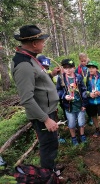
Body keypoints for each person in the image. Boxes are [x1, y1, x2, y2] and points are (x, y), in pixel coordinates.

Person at [11, 25, 59, 171]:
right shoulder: (24, 65)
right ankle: (48, 176)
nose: (44, 44)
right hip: (43, 115)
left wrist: (50, 75)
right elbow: (26, 99)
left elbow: (36, 81)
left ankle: (51, 171)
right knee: (48, 146)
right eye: (42, 41)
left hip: (47, 111)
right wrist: (46, 119)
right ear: (34, 43)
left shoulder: (29, 58)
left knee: (52, 144)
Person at [57, 59, 88, 146]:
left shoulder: (78, 77)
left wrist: (84, 104)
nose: (68, 70)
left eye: (70, 68)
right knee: (71, 123)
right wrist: (64, 96)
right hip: (69, 106)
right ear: (63, 69)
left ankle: (82, 135)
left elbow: (84, 90)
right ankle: (74, 138)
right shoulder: (61, 78)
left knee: (81, 122)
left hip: (80, 105)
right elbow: (58, 90)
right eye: (66, 68)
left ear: (74, 68)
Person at [74, 53, 93, 126]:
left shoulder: (89, 67)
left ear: (87, 59)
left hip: (89, 87)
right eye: (82, 61)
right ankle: (82, 119)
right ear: (79, 60)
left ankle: (90, 117)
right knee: (83, 103)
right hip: (81, 89)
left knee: (89, 104)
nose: (83, 62)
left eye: (84, 61)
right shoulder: (78, 69)